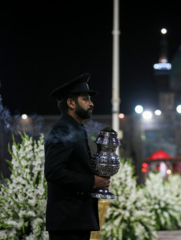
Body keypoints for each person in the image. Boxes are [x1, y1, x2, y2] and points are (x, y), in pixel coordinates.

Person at [44, 73, 111, 240]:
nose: (91, 103)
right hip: (67, 222)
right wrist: (92, 181)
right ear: (71, 103)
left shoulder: (76, 129)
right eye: (86, 99)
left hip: (76, 219)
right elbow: (53, 172)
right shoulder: (63, 130)